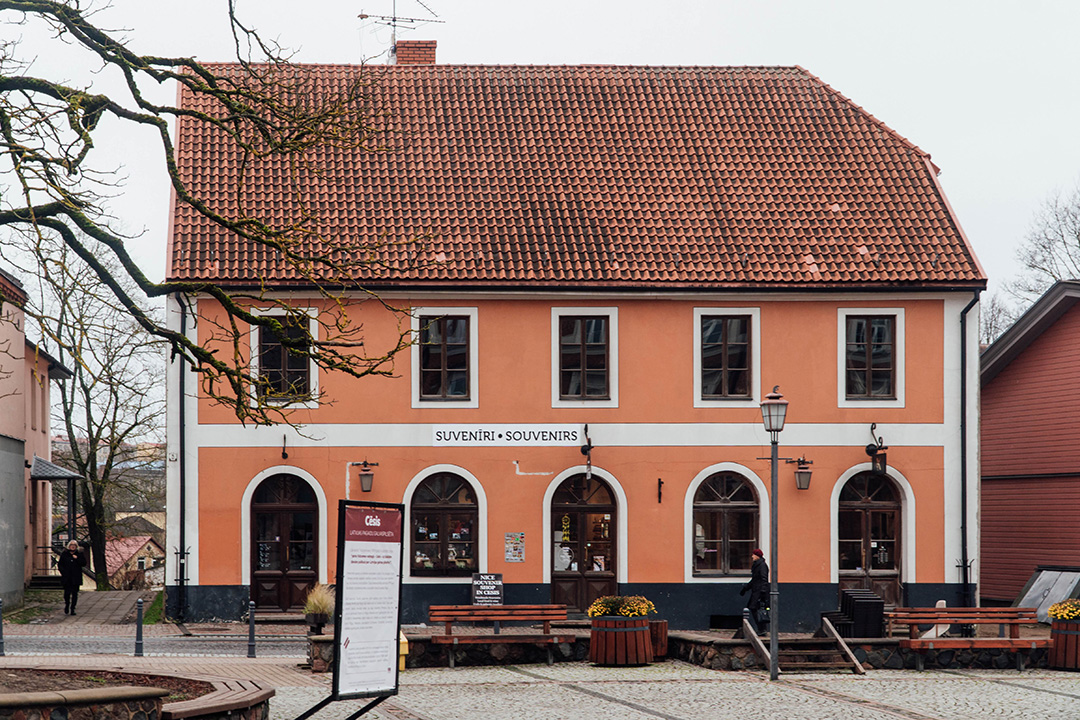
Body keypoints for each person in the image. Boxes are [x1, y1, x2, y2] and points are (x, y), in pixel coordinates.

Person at [740, 548, 769, 634]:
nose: (752, 556)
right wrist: (746, 588)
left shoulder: (762, 566)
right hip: (756, 590)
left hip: (759, 591)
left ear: (757, 556)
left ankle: (762, 628)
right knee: (754, 608)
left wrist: (763, 591)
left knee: (756, 608)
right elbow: (754, 579)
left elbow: (764, 579)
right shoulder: (757, 565)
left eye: (753, 555)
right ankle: (761, 628)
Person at [58, 540, 86, 615]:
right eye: (71, 545)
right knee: (66, 593)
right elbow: (60, 564)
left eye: (74, 545)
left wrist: (77, 559)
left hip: (76, 577)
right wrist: (63, 572)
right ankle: (67, 605)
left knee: (74, 593)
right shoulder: (65, 554)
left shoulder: (79, 554)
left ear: (76, 546)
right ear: (69, 546)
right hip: (67, 577)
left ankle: (73, 608)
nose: (73, 546)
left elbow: (83, 563)